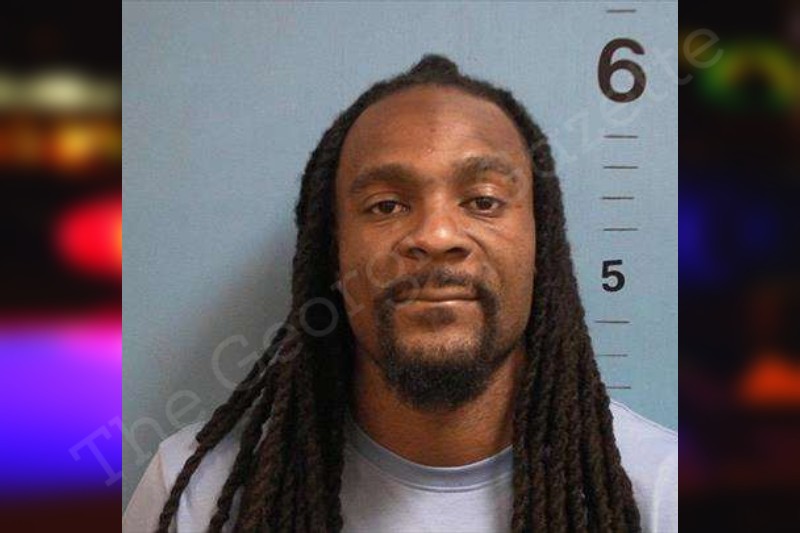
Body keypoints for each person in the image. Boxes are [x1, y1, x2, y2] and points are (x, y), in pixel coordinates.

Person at [123, 54, 677, 533]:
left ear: (542, 245)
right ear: (333, 250)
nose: (436, 236)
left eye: (483, 201)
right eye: (386, 205)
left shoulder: (665, 494)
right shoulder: (199, 496)